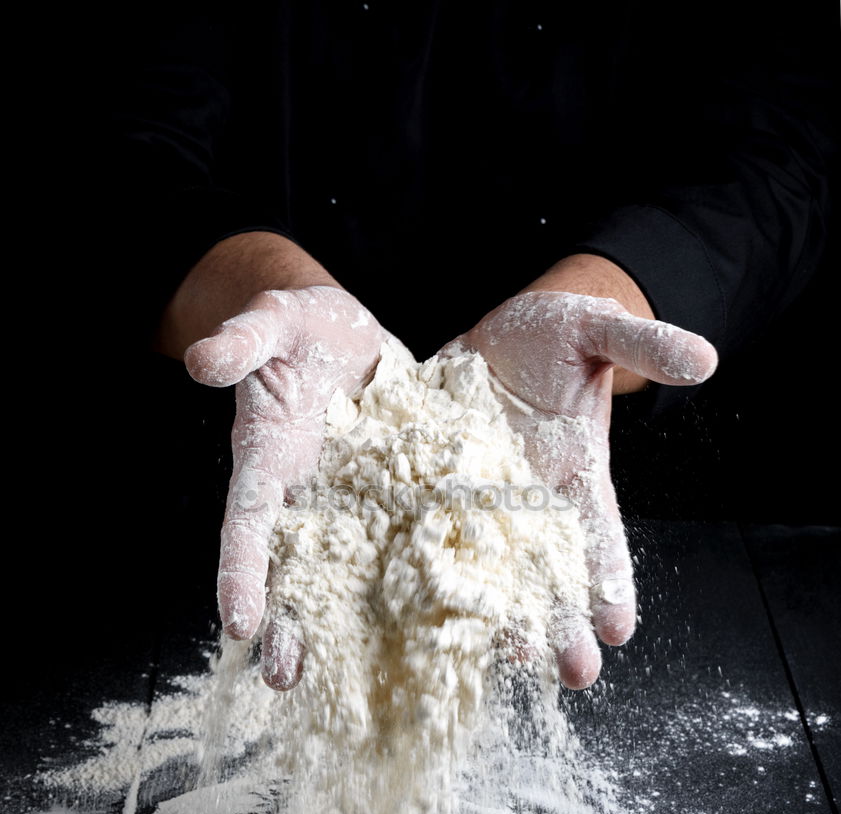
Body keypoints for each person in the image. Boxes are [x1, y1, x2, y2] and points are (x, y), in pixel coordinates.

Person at [103, 3, 835, 690]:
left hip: (602, 475)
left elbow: (780, 149)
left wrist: (608, 298)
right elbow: (120, 133)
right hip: (228, 482)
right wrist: (261, 291)